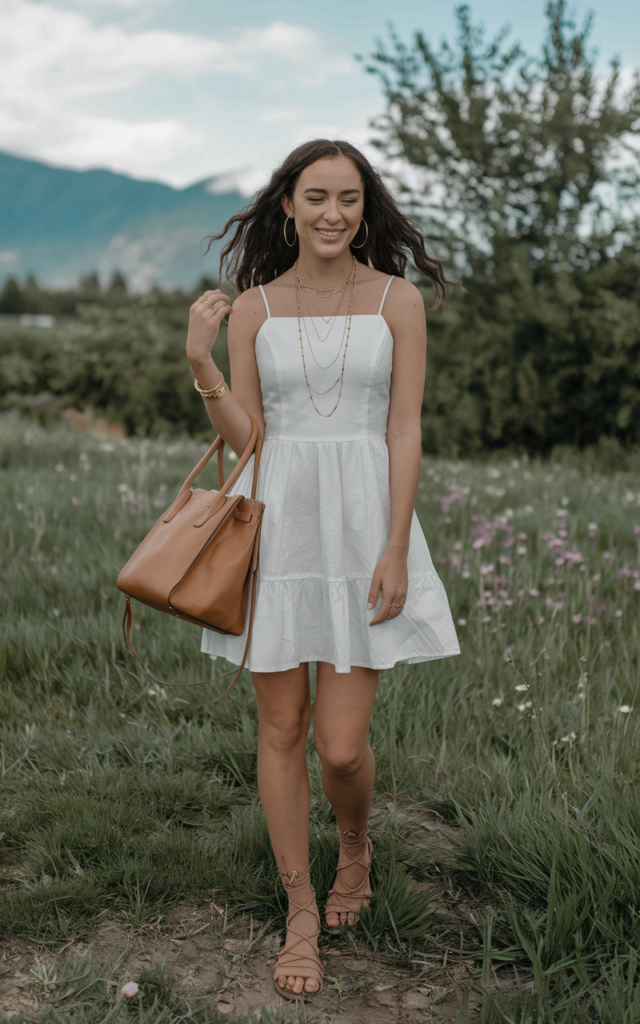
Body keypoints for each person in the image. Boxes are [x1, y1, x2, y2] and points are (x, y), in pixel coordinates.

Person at [185, 139, 460, 1001]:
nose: (332, 213)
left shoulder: (398, 301)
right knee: (280, 729)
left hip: (362, 531)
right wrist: (201, 363)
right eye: (316, 197)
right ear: (287, 208)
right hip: (279, 530)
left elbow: (403, 430)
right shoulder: (258, 309)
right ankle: (300, 910)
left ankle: (356, 845)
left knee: (341, 749)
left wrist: (394, 544)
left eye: (348, 198)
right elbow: (252, 439)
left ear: (365, 207)